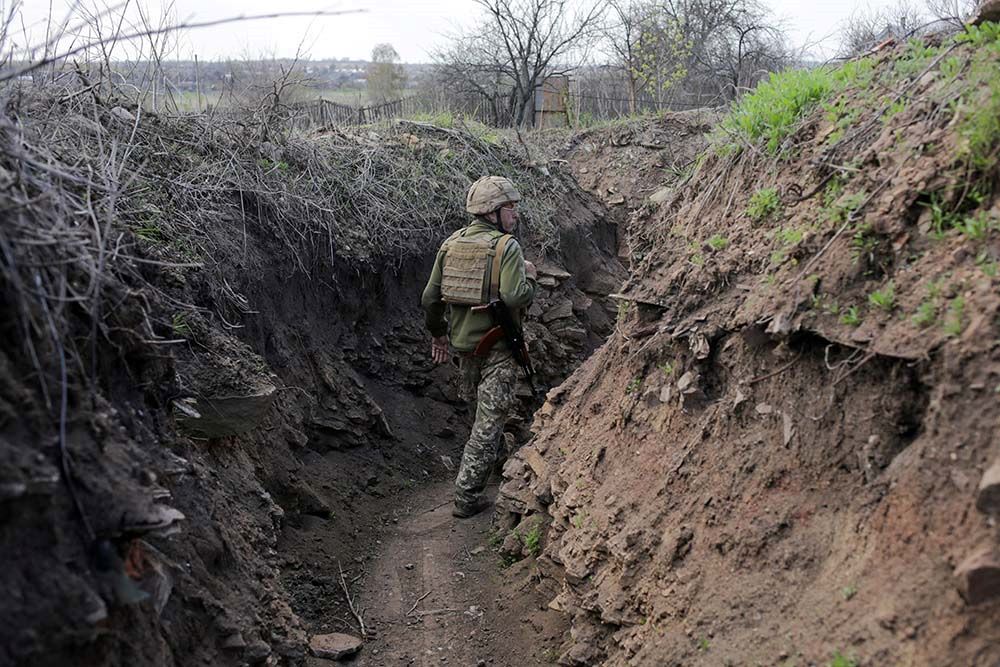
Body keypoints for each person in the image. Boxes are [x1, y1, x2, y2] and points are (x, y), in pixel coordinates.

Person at [421, 176, 538, 518]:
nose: (515, 215)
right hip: (499, 346)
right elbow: (516, 296)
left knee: (484, 415)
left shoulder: (450, 244)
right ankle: (466, 497)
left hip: (463, 347)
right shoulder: (507, 248)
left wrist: (437, 334)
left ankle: (497, 463)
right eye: (510, 209)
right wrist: (529, 275)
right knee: (488, 421)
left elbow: (430, 298)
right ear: (493, 212)